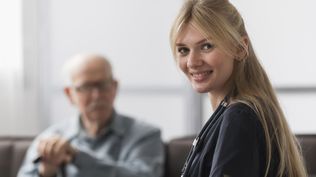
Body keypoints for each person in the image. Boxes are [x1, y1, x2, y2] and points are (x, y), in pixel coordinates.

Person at [169, 0, 307, 177]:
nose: (192, 62)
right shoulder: (239, 112)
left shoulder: (239, 117)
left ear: (240, 48)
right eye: (183, 50)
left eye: (206, 46)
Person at [17, 53, 165, 177]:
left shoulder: (145, 135)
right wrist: (47, 171)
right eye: (86, 87)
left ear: (114, 87)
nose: (96, 95)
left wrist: (77, 157)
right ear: (69, 94)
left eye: (103, 85)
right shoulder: (50, 139)